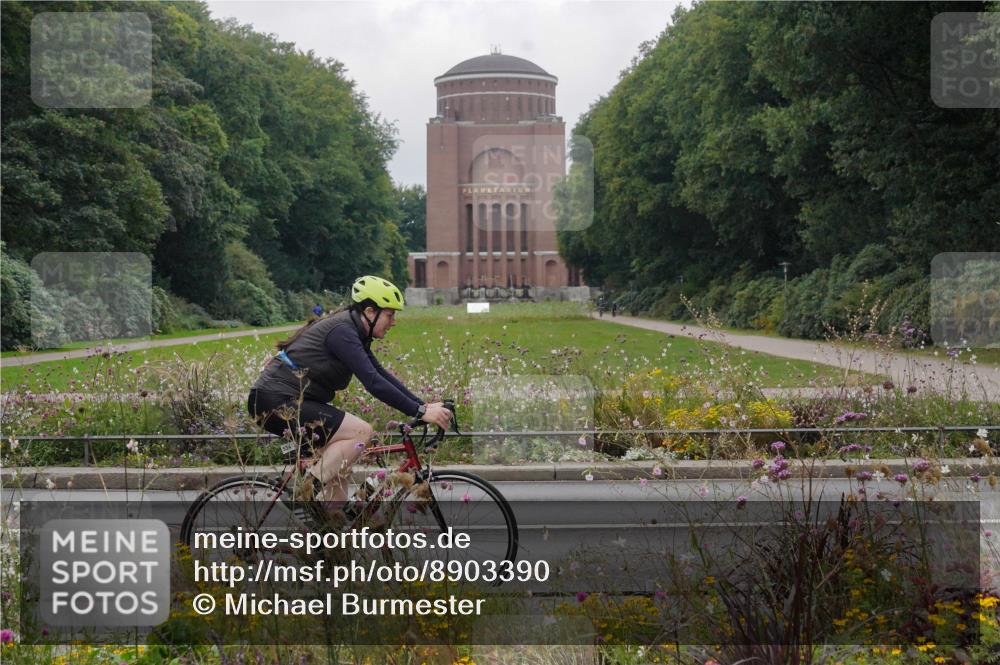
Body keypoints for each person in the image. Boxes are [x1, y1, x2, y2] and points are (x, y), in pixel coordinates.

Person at [248, 275, 453, 508]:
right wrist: (419, 410)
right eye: (389, 314)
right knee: (360, 432)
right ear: (369, 311)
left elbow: (380, 373)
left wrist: (422, 406)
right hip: (275, 400)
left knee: (340, 475)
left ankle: (331, 537)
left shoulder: (354, 331)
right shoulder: (342, 331)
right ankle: (302, 493)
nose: (393, 321)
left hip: (287, 399)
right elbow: (372, 382)